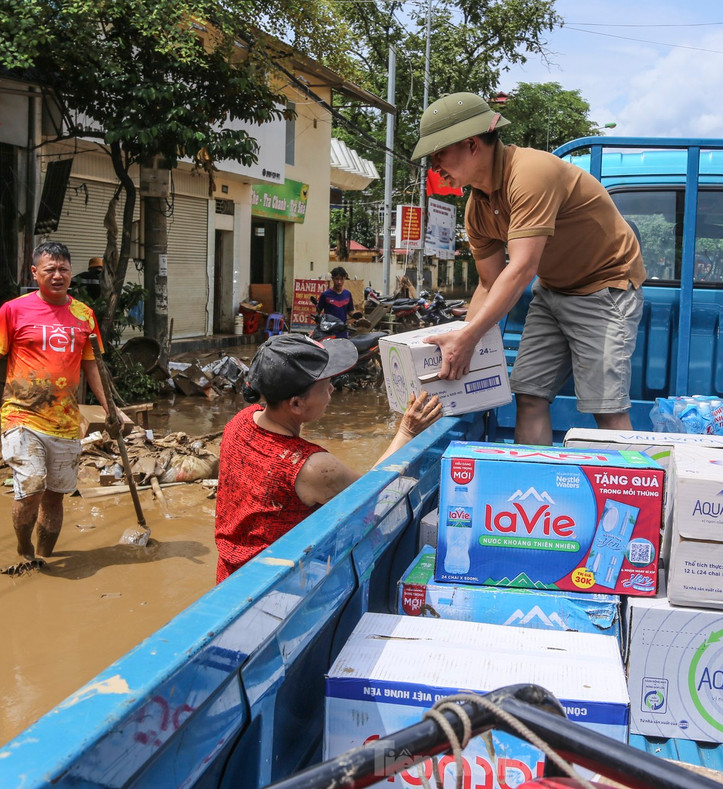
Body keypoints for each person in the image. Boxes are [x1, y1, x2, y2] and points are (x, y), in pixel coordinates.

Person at [410, 92, 645, 446]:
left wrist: (468, 338)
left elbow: (521, 268)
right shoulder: (477, 208)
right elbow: (489, 282)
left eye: (439, 153)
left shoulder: (530, 173)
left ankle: (627, 482)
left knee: (606, 408)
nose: (435, 165)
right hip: (553, 290)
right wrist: (461, 338)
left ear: (471, 144)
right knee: (529, 393)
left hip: (605, 287)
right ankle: (535, 478)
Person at [215, 334, 441, 583]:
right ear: (296, 404)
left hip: (230, 576)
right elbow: (372, 495)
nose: (332, 389)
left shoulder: (241, 421)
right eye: (325, 384)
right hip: (275, 586)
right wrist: (407, 432)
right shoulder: (313, 468)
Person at [0, 241, 123, 568]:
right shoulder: (13, 310)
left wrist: (110, 410)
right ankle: (24, 549)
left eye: (63, 269)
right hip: (21, 415)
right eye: (50, 270)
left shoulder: (84, 315)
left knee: (55, 497)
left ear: (71, 272)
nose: (58, 276)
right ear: (35, 273)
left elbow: (93, 368)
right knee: (32, 486)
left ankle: (44, 558)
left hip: (65, 420)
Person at [316, 266, 354, 338]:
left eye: (341, 279)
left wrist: (358, 318)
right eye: (337, 279)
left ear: (345, 278)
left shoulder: (347, 294)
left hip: (342, 332)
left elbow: (350, 312)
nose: (339, 282)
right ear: (332, 278)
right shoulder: (325, 295)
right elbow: (318, 311)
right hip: (328, 332)